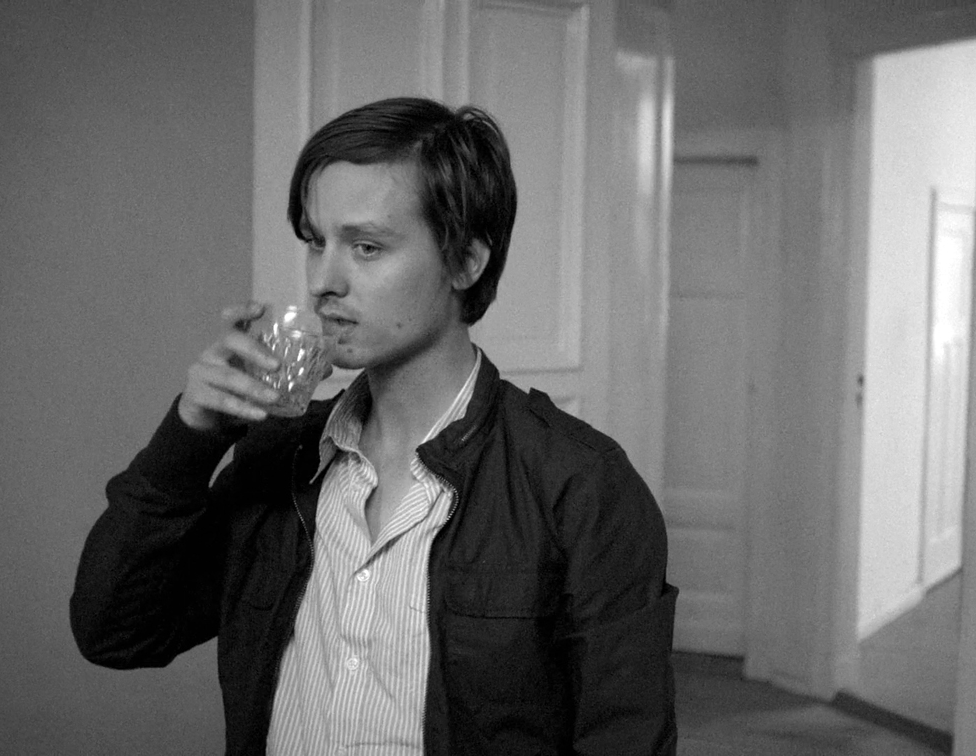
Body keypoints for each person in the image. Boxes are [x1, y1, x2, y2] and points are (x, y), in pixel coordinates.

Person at [70, 97, 678, 756]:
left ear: (466, 262)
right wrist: (192, 436)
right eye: (315, 242)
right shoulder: (281, 456)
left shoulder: (579, 485)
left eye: (366, 247)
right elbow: (116, 632)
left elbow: (626, 737)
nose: (323, 281)